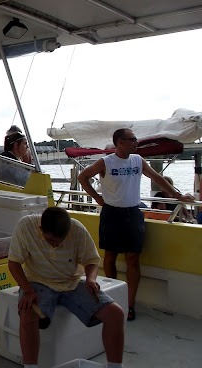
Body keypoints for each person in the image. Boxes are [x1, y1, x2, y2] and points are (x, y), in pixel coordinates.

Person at [78, 128, 195, 321]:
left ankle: (130, 304)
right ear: (120, 142)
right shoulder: (106, 162)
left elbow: (157, 178)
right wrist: (97, 198)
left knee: (133, 258)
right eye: (132, 139)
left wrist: (177, 195)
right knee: (110, 256)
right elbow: (83, 177)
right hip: (112, 213)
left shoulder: (138, 160)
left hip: (132, 212)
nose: (136, 142)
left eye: (135, 139)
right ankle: (112, 299)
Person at [8, 207, 126, 368]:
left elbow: (91, 260)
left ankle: (115, 366)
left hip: (71, 282)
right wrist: (27, 291)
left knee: (116, 314)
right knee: (27, 313)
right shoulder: (26, 226)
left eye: (61, 241)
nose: (56, 245)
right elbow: (14, 263)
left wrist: (91, 279)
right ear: (41, 229)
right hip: (38, 280)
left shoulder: (77, 230)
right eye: (51, 241)